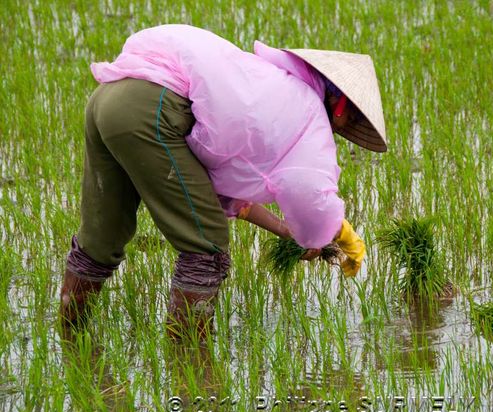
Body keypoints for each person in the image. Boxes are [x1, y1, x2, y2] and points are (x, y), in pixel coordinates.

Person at [59, 24, 388, 337]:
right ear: (342, 106)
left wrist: (287, 231)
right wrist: (330, 231)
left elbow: (210, 194)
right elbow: (309, 196)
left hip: (107, 100)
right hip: (151, 107)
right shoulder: (308, 116)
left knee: (102, 235)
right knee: (207, 249)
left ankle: (70, 337)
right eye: (351, 121)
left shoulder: (268, 89)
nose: (341, 130)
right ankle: (190, 361)